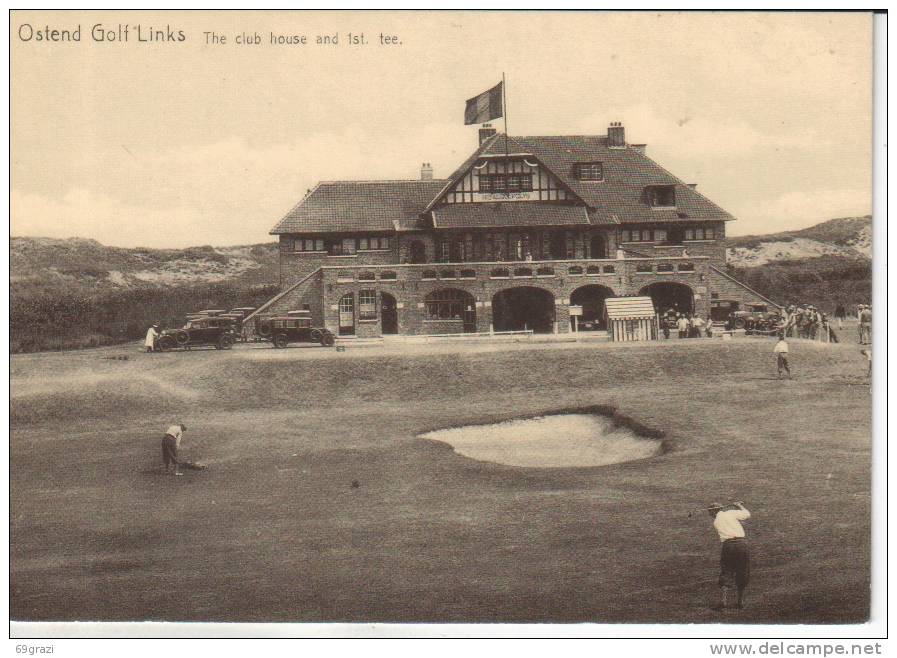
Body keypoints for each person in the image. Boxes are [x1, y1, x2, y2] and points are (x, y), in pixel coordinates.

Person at [708, 501, 751, 610]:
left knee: (726, 571)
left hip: (728, 546)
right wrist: (739, 506)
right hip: (742, 545)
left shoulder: (716, 521)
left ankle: (723, 602)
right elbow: (747, 514)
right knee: (743, 571)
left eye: (710, 512)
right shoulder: (730, 513)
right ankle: (740, 602)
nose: (710, 515)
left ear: (714, 512)